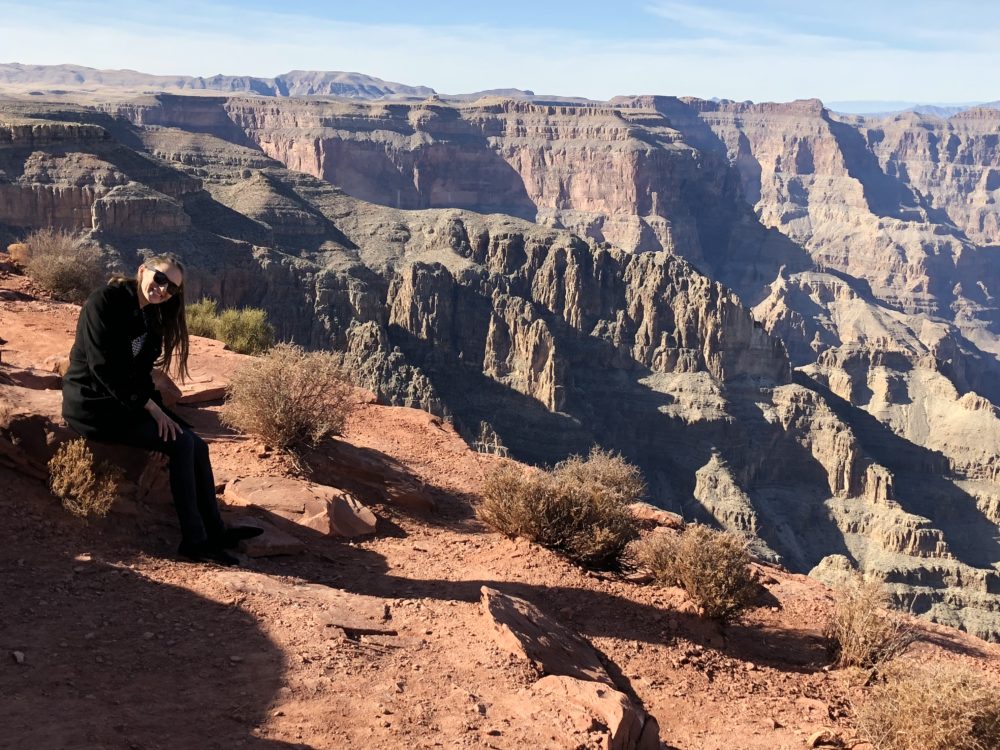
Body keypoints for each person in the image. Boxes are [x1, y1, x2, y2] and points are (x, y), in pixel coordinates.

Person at [62, 253, 261, 565]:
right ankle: (194, 542)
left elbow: (139, 374)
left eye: (171, 288)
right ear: (142, 270)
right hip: (94, 404)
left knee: (196, 444)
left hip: (123, 401)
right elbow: (105, 368)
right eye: (160, 278)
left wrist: (161, 413)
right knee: (180, 445)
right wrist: (151, 410)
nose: (163, 289)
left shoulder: (150, 316)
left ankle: (216, 530)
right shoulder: (105, 301)